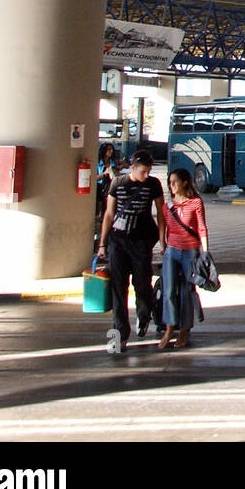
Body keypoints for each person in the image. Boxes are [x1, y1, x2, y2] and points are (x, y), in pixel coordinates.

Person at [97, 148, 165, 352]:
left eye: (149, 171)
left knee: (142, 283)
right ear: (133, 168)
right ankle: (120, 335)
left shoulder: (153, 184)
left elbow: (161, 213)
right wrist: (102, 243)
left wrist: (162, 238)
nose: (146, 176)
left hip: (142, 241)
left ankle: (144, 317)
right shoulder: (118, 184)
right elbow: (109, 215)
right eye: (143, 171)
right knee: (118, 288)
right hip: (118, 241)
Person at [160, 167, 209, 350]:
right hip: (172, 251)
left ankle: (184, 330)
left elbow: (202, 228)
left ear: (184, 182)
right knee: (169, 290)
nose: (172, 186)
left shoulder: (195, 203)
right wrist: (162, 245)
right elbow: (164, 227)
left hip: (190, 251)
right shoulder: (168, 205)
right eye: (170, 182)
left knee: (188, 291)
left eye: (175, 182)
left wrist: (205, 252)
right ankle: (169, 328)